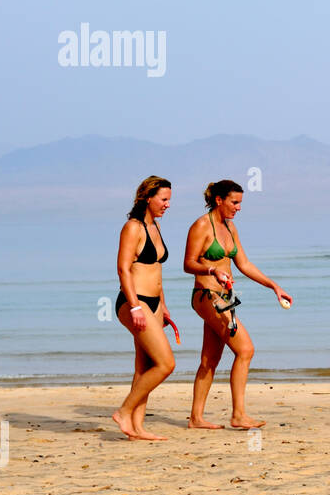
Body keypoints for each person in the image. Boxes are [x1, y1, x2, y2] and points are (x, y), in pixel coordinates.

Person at [184, 179, 290, 429]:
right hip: (207, 296)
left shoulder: (230, 228)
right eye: (235, 202)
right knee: (245, 350)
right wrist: (212, 270)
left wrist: (274, 286)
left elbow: (244, 264)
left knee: (210, 360)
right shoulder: (202, 226)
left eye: (240, 203)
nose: (238, 208)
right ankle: (238, 415)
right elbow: (188, 263)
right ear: (219, 200)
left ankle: (196, 418)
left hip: (225, 298)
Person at [111, 176, 178, 440]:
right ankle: (124, 411)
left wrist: (163, 306)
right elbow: (123, 268)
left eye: (169, 199)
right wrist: (136, 307)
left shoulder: (155, 226)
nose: (167, 204)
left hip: (154, 304)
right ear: (147, 198)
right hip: (133, 302)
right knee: (166, 364)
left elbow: (155, 269)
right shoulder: (133, 227)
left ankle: (136, 427)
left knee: (144, 366)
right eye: (163, 199)